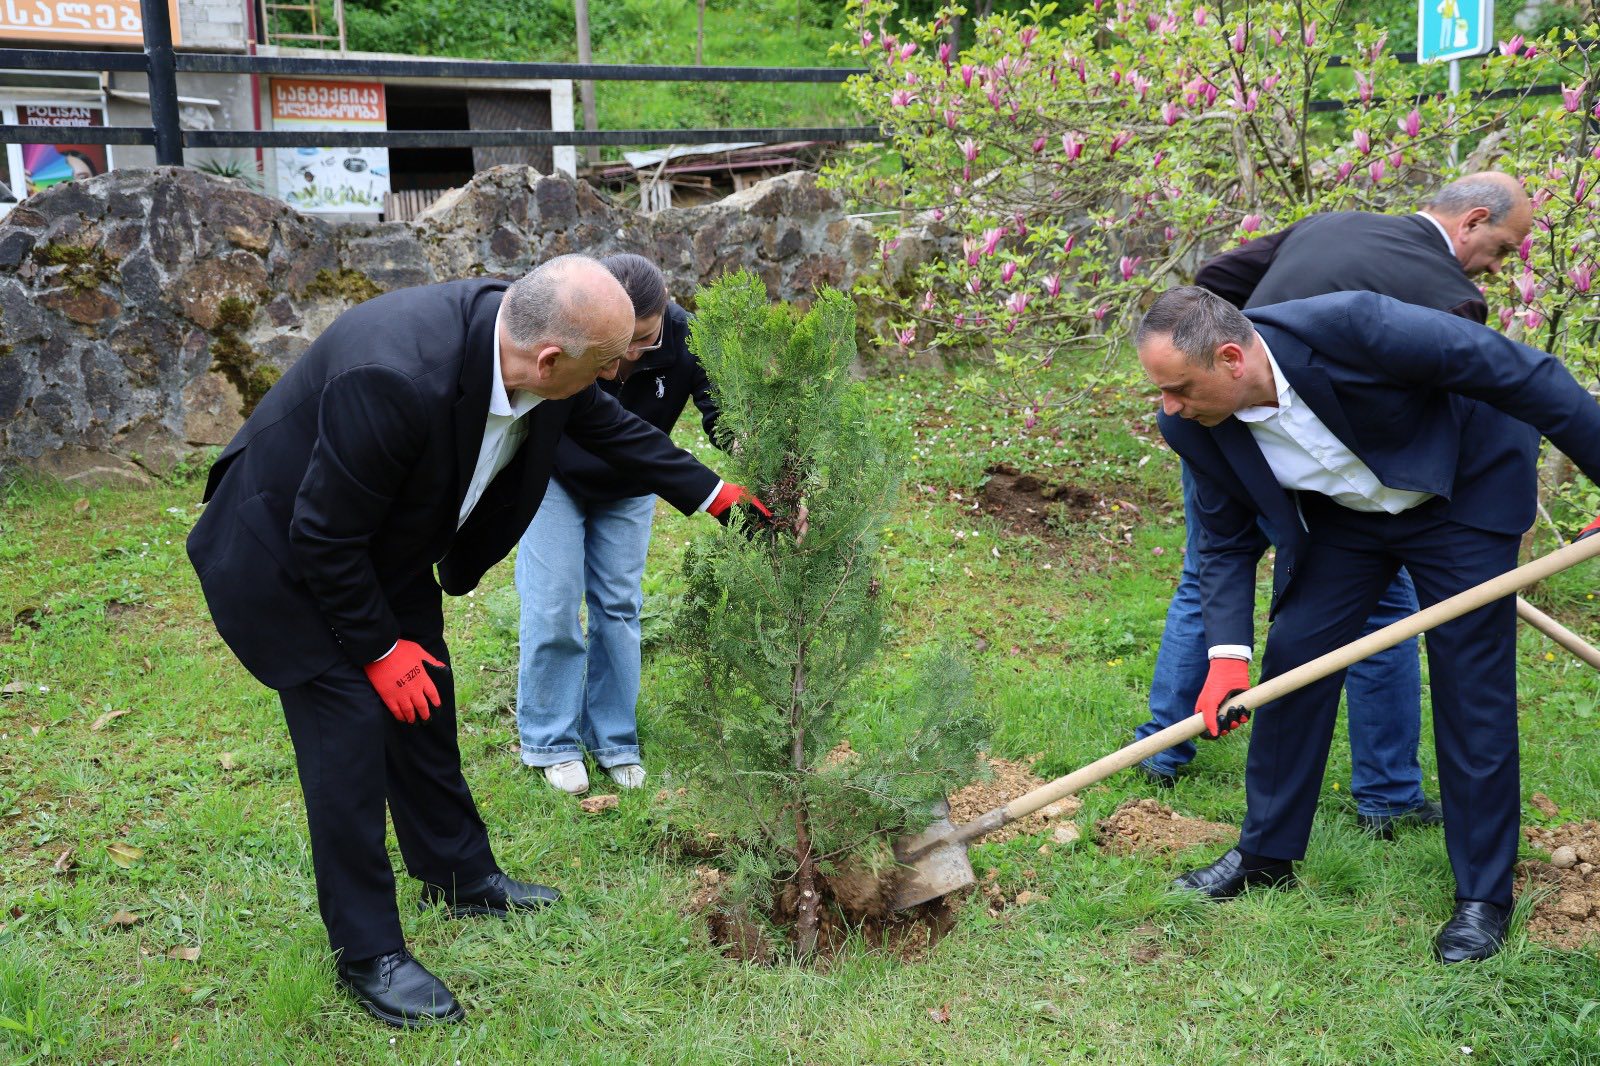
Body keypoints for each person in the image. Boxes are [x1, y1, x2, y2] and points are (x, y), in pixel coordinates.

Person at [186, 255, 775, 1028]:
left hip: (381, 547)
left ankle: (459, 876)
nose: (613, 380)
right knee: (351, 734)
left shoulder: (531, 347)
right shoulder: (396, 373)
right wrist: (376, 650)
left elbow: (612, 428)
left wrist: (717, 497)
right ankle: (370, 953)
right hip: (285, 555)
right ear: (553, 359)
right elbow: (322, 535)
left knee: (426, 708)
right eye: (604, 366)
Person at [1136, 285, 1600, 963]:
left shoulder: (1357, 329)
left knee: (1472, 684)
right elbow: (1226, 543)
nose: (1169, 405)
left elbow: (1527, 375)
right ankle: (1265, 854)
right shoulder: (1191, 425)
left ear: (1232, 358)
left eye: (1178, 386)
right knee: (1293, 660)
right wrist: (1227, 657)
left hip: (1460, 490)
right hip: (1346, 518)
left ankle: (1482, 896)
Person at [1133, 173, 1535, 842]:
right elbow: (1461, 403)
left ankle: (1171, 750)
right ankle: (1380, 795)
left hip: (1297, 446)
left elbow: (1213, 278)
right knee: (1245, 572)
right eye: (1502, 246)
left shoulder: (1326, 226)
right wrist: (1226, 384)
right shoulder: (1449, 294)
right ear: (1468, 223)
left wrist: (1218, 361)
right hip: (1244, 417)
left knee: (1222, 576)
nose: (1498, 264)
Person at [515, 254, 720, 794]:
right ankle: (550, 739)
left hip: (631, 485)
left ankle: (614, 738)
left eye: (643, 338)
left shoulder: (687, 336)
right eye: (619, 340)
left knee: (619, 607)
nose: (627, 355)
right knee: (554, 601)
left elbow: (721, 408)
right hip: (552, 478)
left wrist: (749, 446)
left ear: (666, 309)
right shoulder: (573, 325)